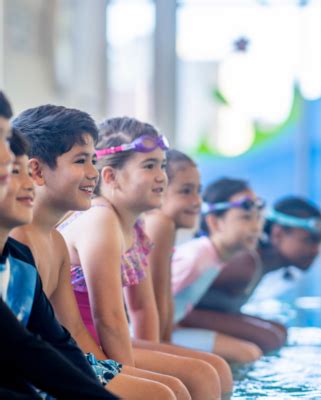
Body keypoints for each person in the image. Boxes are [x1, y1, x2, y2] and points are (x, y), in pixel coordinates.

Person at [11, 106, 179, 400]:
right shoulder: (20, 240)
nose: (93, 173)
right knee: (161, 394)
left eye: (92, 160)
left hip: (59, 364)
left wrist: (116, 372)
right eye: (81, 161)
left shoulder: (56, 243)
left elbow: (73, 329)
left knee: (169, 389)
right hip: (30, 376)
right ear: (37, 170)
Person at [58, 116, 225, 400]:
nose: (162, 176)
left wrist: (158, 363)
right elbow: (108, 317)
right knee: (192, 379)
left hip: (101, 342)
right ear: (110, 177)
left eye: (162, 165)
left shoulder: (134, 225)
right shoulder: (100, 219)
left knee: (213, 369)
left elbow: (143, 308)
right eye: (149, 166)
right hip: (78, 348)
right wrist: (137, 380)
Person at [0, 126, 117, 399]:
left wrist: (104, 385)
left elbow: (60, 340)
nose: (27, 184)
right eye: (13, 172)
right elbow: (24, 348)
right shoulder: (26, 239)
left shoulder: (19, 258)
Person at [144, 150, 263, 364]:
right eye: (246, 218)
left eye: (257, 218)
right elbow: (147, 303)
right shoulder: (197, 256)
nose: (255, 227)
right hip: (145, 336)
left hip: (167, 330)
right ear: (215, 223)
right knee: (245, 353)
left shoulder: (215, 257)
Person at [182, 196, 321, 352]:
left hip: (187, 316)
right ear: (277, 234)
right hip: (172, 322)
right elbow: (178, 302)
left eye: (319, 242)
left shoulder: (257, 263)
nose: (316, 250)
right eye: (309, 240)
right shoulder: (245, 263)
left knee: (279, 331)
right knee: (269, 338)